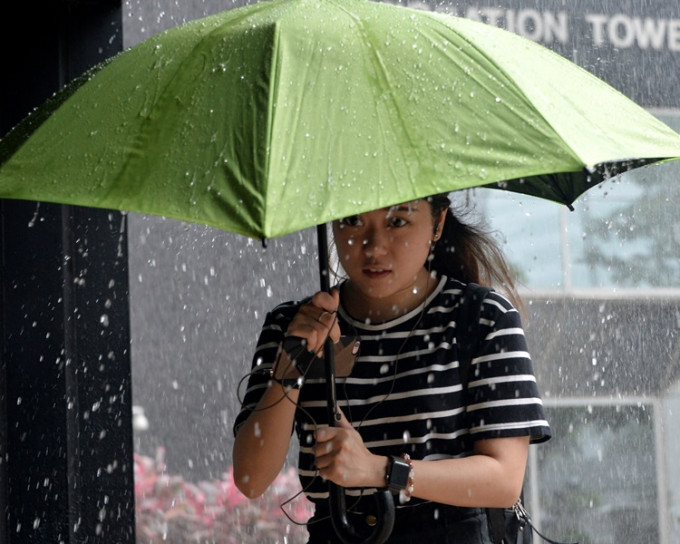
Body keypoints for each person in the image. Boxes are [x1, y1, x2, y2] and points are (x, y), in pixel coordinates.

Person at [232, 193, 551, 543]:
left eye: (398, 222)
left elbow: (503, 480)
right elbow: (251, 478)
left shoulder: (483, 317)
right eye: (352, 221)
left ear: (438, 223)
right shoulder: (291, 326)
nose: (374, 247)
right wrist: (292, 365)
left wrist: (380, 470)